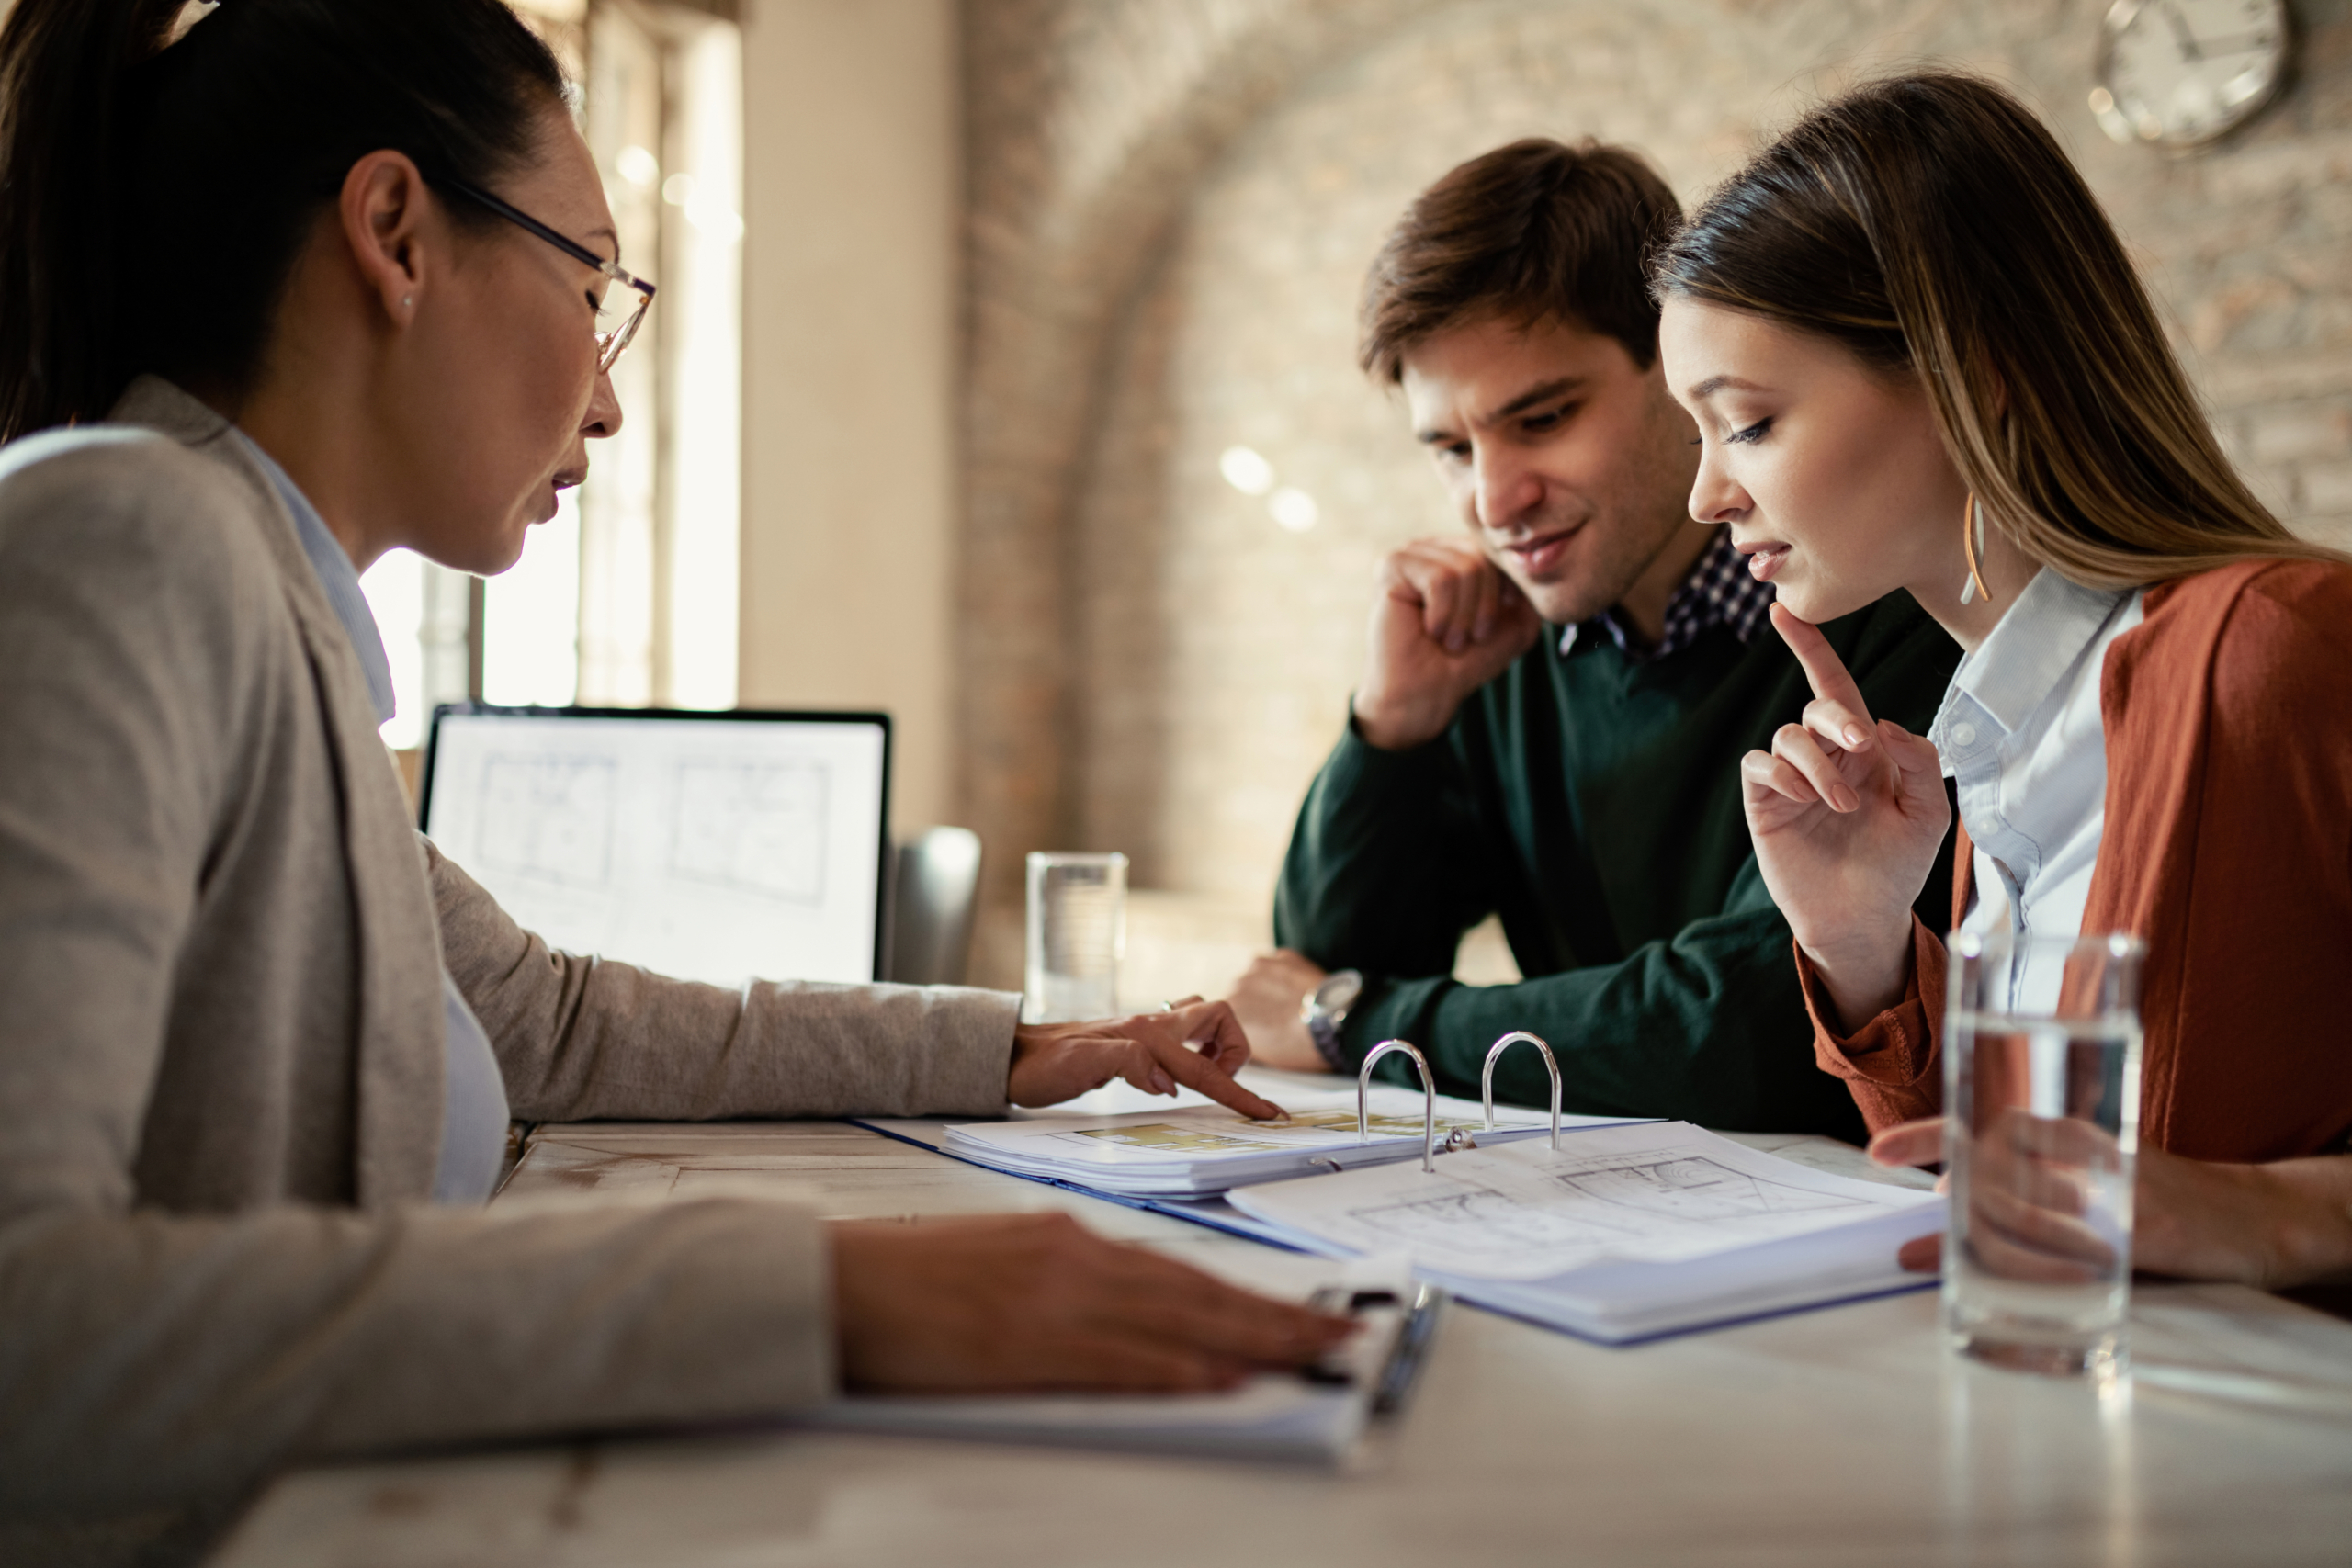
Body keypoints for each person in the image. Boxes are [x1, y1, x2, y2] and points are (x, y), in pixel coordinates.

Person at [0, 1, 1347, 1557]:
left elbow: (554, 1017)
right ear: (396, 232)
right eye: (591, 288)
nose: (608, 398)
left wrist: (1016, 1044)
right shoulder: (122, 542)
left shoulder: (263, 615)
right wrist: (815, 1292)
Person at [1649, 71, 2352, 1290]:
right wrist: (1862, 940)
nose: (1705, 495)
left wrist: (2276, 1214)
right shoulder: (1993, 727)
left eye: (1747, 422)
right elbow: (2004, 1191)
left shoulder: (2277, 651)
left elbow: (2174, 1196)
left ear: (1973, 376)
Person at [1228, 139, 1960, 1135]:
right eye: (1450, 448)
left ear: (1677, 366)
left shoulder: (1887, 600)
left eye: (1541, 418)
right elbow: (1317, 971)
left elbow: (1747, 1032)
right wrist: (1391, 729)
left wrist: (1362, 1022)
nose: (1493, 501)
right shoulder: (1497, 648)